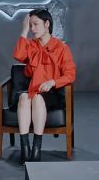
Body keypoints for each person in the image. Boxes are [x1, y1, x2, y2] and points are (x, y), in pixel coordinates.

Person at [13, 9, 76, 165]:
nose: (32, 29)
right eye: (30, 25)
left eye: (35, 24)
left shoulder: (61, 47)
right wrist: (24, 30)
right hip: (32, 89)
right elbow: (18, 55)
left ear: (47, 24)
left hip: (52, 92)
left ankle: (36, 148)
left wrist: (52, 82)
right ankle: (25, 148)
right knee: (23, 98)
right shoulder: (30, 44)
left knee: (37, 99)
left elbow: (70, 74)